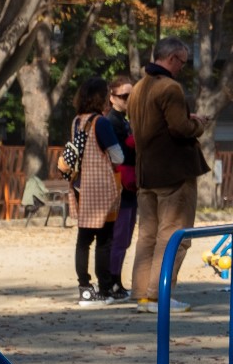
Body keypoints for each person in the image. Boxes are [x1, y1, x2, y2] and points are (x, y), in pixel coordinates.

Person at [126, 38, 208, 313]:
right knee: (174, 235)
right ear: (172, 58)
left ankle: (142, 294)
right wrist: (198, 124)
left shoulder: (137, 88)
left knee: (148, 235)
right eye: (182, 62)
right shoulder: (169, 87)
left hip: (146, 173)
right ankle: (160, 294)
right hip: (173, 172)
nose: (182, 68)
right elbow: (180, 129)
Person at [63, 78, 125, 304]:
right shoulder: (101, 123)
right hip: (101, 190)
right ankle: (105, 288)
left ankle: (84, 288)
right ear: (100, 98)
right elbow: (118, 156)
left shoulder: (76, 121)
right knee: (104, 240)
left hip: (80, 187)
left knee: (83, 240)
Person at [103, 78, 137, 291]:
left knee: (124, 237)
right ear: (112, 97)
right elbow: (119, 155)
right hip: (119, 185)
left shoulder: (124, 121)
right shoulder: (111, 122)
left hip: (129, 185)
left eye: (131, 96)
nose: (128, 100)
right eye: (124, 96)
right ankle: (112, 280)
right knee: (118, 236)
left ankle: (115, 279)